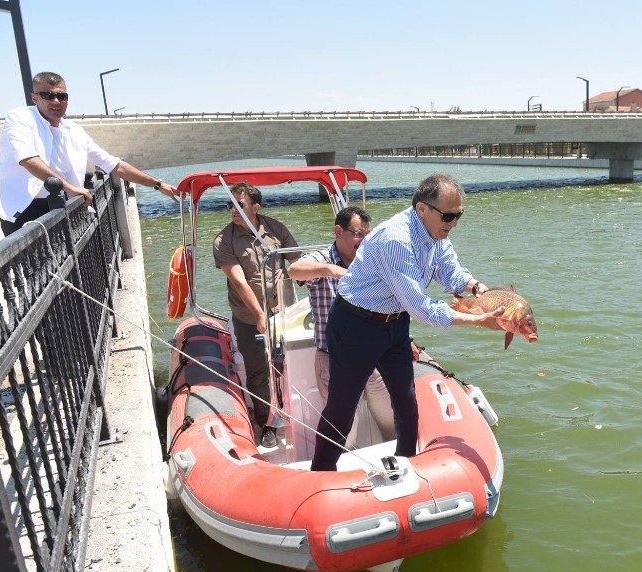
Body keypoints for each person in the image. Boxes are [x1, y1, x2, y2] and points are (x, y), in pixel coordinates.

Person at [311, 174, 504, 472]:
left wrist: (479, 289)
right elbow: (421, 308)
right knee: (341, 408)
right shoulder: (395, 239)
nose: (453, 223)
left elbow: (450, 272)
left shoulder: (437, 234)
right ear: (422, 209)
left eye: (459, 215)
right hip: (355, 325)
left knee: (406, 401)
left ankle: (406, 464)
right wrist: (479, 321)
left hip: (394, 324)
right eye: (449, 216)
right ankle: (320, 473)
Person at [287, 205, 417, 440]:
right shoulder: (322, 259)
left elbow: (394, 305)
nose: (362, 241)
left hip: (376, 357)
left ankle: (402, 460)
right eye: (357, 234)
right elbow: (294, 270)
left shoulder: (372, 261)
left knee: (391, 417)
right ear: (339, 231)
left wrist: (407, 340)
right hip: (335, 359)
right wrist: (330, 270)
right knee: (343, 431)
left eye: (367, 235)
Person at [0, 71, 178, 238]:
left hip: (66, 208)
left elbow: (114, 164)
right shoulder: (20, 118)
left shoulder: (74, 130)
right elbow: (28, 158)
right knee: (35, 271)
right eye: (47, 95)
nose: (55, 101)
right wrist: (68, 187)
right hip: (25, 209)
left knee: (68, 268)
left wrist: (157, 184)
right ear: (34, 98)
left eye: (61, 96)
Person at [213, 182, 300, 447]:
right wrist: (260, 316)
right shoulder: (223, 240)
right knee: (258, 371)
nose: (233, 209)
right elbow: (239, 282)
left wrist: (320, 282)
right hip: (250, 319)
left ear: (255, 207)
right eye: (230, 204)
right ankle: (265, 423)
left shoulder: (276, 229)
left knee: (287, 366)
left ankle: (294, 414)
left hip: (284, 314)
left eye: (239, 204)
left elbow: (296, 262)